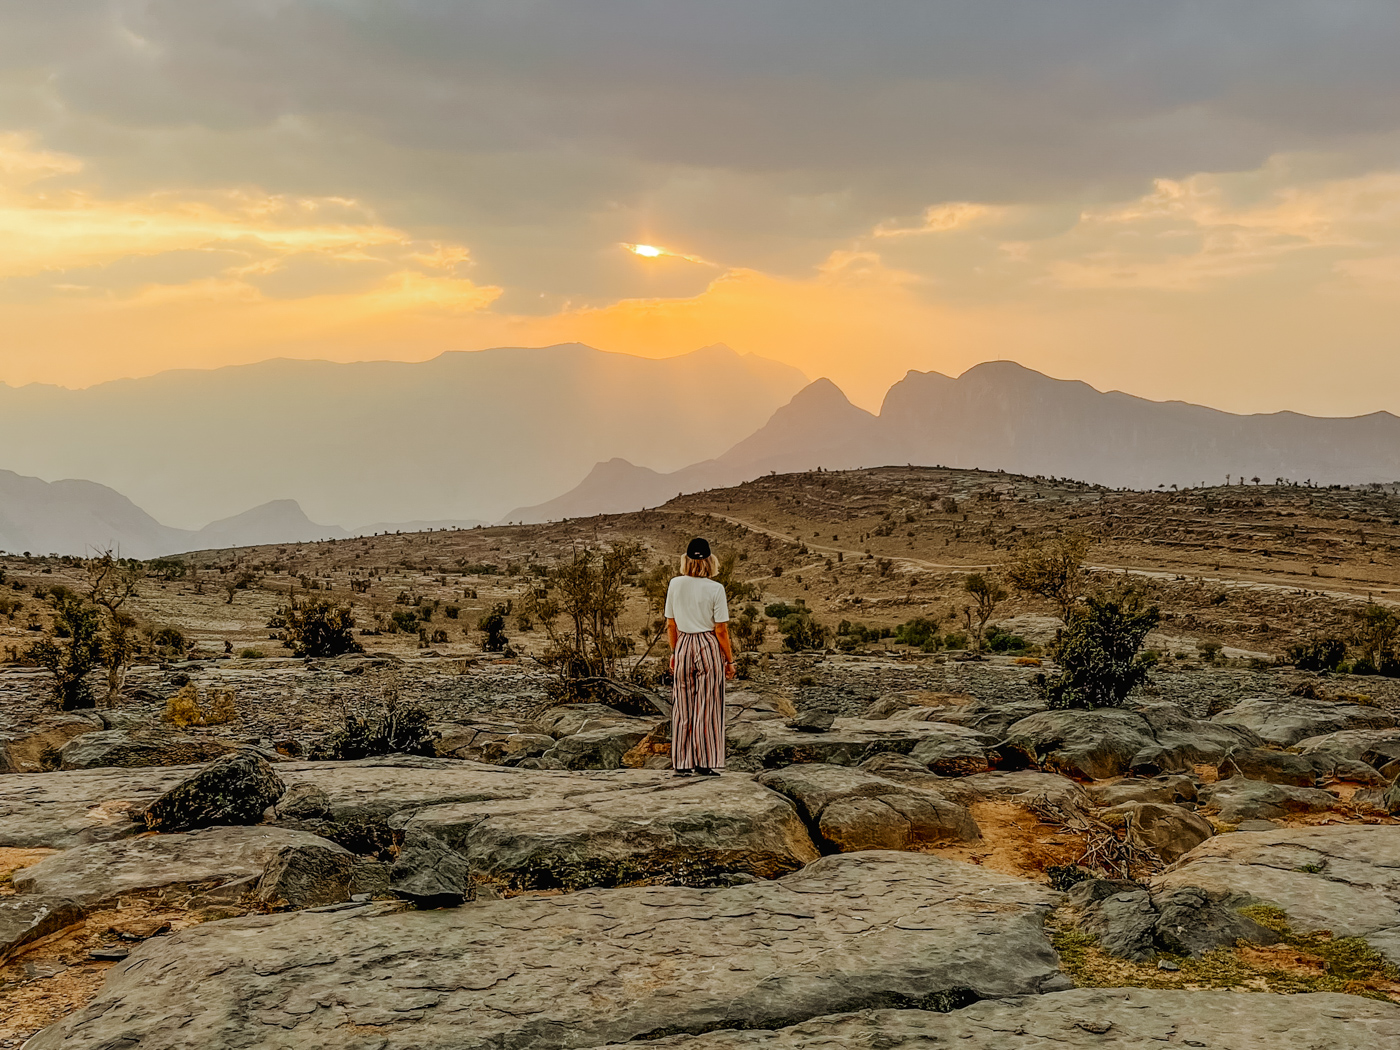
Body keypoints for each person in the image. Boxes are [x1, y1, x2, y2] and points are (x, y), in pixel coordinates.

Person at [664, 537, 734, 776]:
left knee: (682, 704)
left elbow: (671, 624)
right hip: (708, 644)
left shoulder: (675, 584)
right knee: (708, 705)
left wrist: (675, 652)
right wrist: (730, 661)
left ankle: (682, 764)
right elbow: (721, 630)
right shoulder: (716, 589)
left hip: (683, 642)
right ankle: (704, 763)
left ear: (686, 560)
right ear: (710, 561)